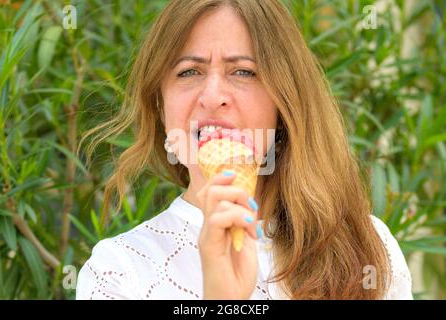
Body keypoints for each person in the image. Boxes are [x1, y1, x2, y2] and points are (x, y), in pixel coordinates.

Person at [76, 0, 413, 300]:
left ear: (284, 104)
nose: (212, 96)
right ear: (161, 106)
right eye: (189, 71)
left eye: (243, 72)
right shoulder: (118, 272)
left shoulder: (367, 249)